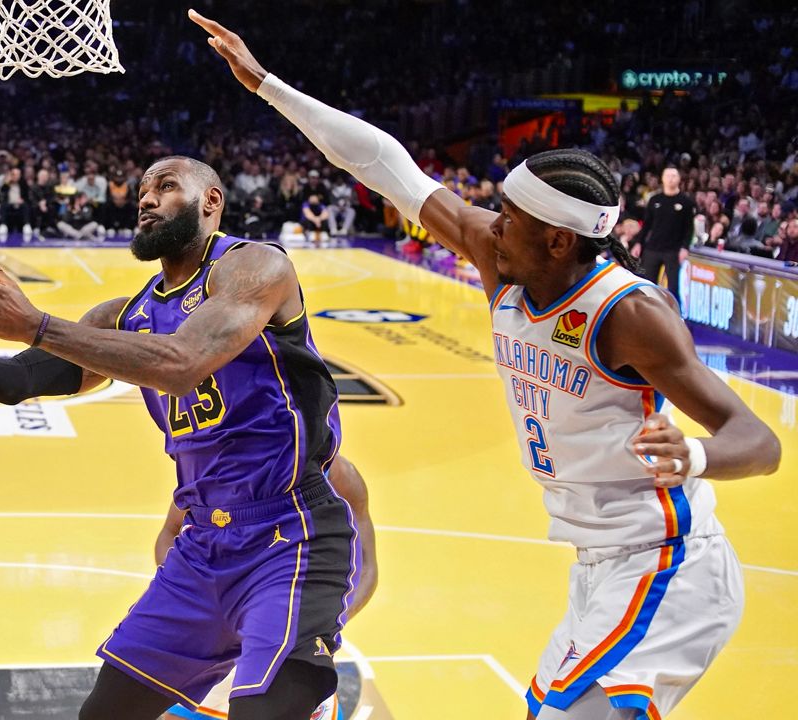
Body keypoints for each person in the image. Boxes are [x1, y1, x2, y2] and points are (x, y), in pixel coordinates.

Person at [190, 9, 781, 720]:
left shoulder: (629, 314)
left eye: (508, 219)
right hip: (599, 565)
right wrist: (269, 86)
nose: (487, 226)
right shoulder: (504, 258)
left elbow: (761, 440)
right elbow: (384, 164)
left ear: (560, 242)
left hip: (668, 562)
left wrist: (693, 454)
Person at [0, 154, 360, 720]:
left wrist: (38, 324)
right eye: (143, 191)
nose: (146, 199)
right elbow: (17, 378)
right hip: (203, 547)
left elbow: (183, 363)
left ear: (211, 202)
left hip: (289, 535)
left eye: (167, 186)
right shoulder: (125, 317)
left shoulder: (255, 267)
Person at [157, 454, 378, 720]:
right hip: (219, 633)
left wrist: (327, 619)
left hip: (294, 636)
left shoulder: (340, 476)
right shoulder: (218, 466)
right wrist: (194, 595)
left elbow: (367, 567)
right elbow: (170, 532)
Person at [630, 168, 694, 306]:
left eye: (674, 175)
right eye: (668, 175)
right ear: (662, 179)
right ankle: (648, 314)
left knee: (673, 288)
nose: (671, 178)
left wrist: (685, 247)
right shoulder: (655, 200)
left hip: (673, 250)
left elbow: (689, 228)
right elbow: (647, 225)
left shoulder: (686, 202)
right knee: (648, 285)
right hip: (652, 248)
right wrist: (639, 243)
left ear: (679, 179)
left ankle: (677, 318)